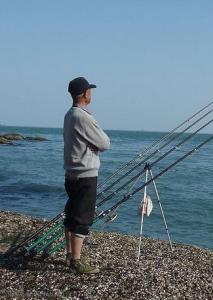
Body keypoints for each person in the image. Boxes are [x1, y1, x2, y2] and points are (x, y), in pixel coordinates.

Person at [63, 77, 110, 274]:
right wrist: (94, 144)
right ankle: (76, 261)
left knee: (72, 215)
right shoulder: (82, 116)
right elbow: (105, 143)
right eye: (89, 90)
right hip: (85, 175)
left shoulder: (69, 114)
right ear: (84, 94)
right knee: (82, 219)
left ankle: (69, 254)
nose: (91, 93)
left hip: (72, 173)